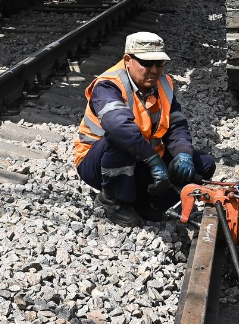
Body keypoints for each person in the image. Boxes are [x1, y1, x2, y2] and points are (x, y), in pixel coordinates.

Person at [74, 32, 215, 225]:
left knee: (204, 164)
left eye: (159, 63)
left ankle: (147, 203)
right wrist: (154, 160)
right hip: (98, 163)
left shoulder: (164, 84)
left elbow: (176, 125)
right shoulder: (108, 85)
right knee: (122, 137)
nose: (155, 70)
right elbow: (118, 126)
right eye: (147, 63)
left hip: (142, 160)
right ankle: (113, 200)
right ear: (127, 60)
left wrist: (183, 154)